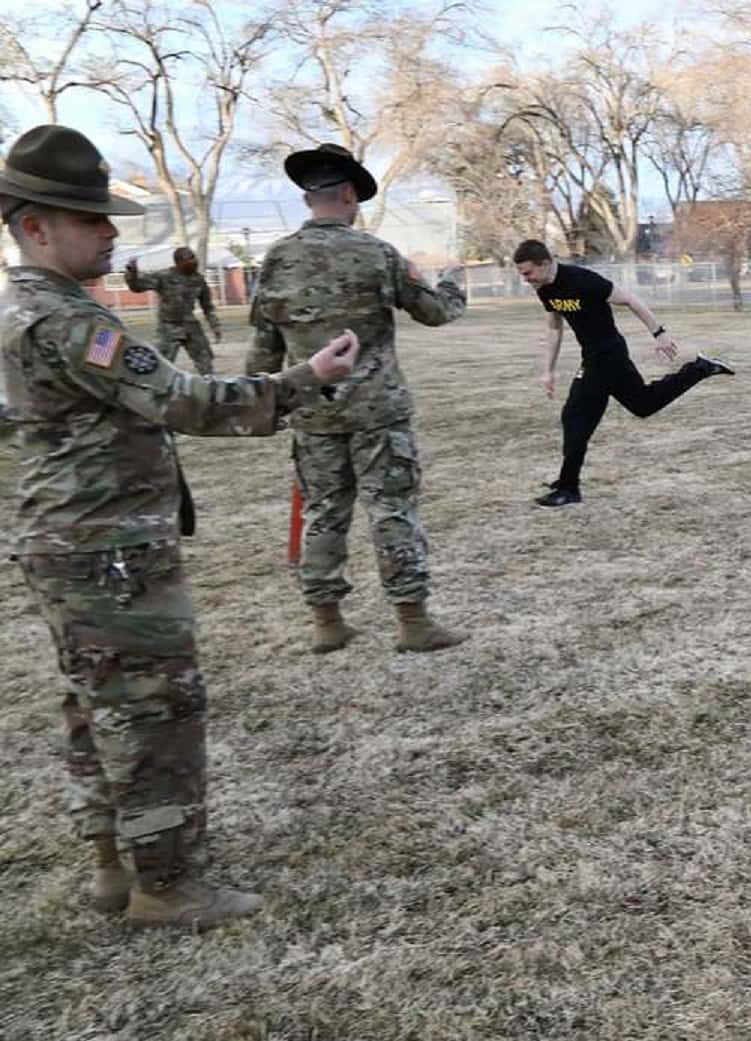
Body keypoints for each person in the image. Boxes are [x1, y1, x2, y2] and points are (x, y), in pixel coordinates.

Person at [1, 124, 358, 926]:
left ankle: (109, 865)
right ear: (34, 228)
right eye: (91, 220)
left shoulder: (34, 307)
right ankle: (165, 882)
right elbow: (184, 399)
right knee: (155, 713)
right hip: (109, 552)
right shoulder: (64, 322)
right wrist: (308, 377)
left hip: (70, 542)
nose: (109, 233)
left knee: (96, 704)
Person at [246, 144, 468, 654]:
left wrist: (265, 399)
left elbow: (263, 345)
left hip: (311, 410)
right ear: (348, 195)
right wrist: (455, 285)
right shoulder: (377, 254)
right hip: (377, 411)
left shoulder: (276, 259)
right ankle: (413, 621)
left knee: (323, 513)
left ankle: (327, 621)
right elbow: (433, 311)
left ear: (308, 199)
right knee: (391, 509)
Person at [513, 239, 735, 507]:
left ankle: (569, 487)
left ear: (545, 263)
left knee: (575, 416)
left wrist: (659, 333)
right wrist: (547, 370)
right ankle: (700, 368)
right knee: (643, 404)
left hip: (608, 355)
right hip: (596, 356)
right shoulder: (545, 290)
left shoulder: (583, 280)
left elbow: (630, 299)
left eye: (527, 273)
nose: (525, 279)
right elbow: (554, 328)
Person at [123, 246, 222, 375]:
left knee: (205, 360)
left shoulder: (198, 279)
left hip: (190, 325)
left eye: (194, 257)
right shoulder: (164, 276)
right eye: (190, 258)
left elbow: (207, 306)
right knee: (161, 364)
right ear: (179, 262)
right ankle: (159, 392)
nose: (195, 261)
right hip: (168, 327)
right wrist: (132, 273)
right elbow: (138, 286)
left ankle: (208, 387)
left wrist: (215, 326)